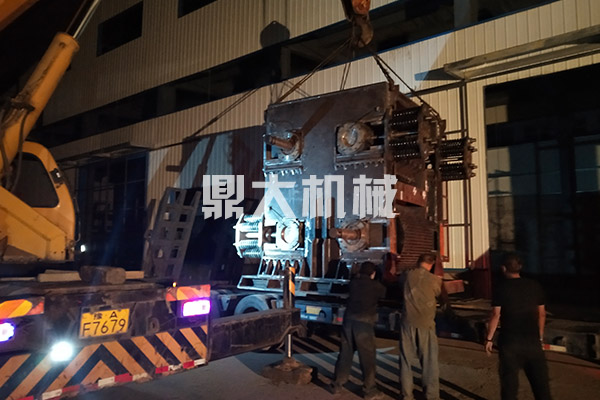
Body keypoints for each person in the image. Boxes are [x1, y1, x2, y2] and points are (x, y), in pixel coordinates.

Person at [485, 253, 552, 400]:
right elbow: (541, 314)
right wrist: (540, 336)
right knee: (541, 383)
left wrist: (489, 339)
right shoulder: (534, 285)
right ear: (520, 267)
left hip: (510, 342)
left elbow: (496, 315)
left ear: (504, 268)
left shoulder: (501, 288)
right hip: (532, 341)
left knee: (509, 383)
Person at [331, 261, 385, 399]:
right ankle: (369, 389)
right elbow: (384, 294)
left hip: (348, 321)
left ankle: (337, 384)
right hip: (364, 323)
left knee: (345, 352)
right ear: (373, 273)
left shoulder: (353, 283)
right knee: (367, 357)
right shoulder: (376, 286)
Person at [398, 253, 442, 400]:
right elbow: (439, 293)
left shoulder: (406, 276)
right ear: (431, 265)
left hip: (407, 323)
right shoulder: (434, 280)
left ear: (418, 262)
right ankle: (431, 395)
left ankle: (406, 395)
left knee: (405, 360)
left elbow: (398, 283)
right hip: (426, 324)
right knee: (429, 361)